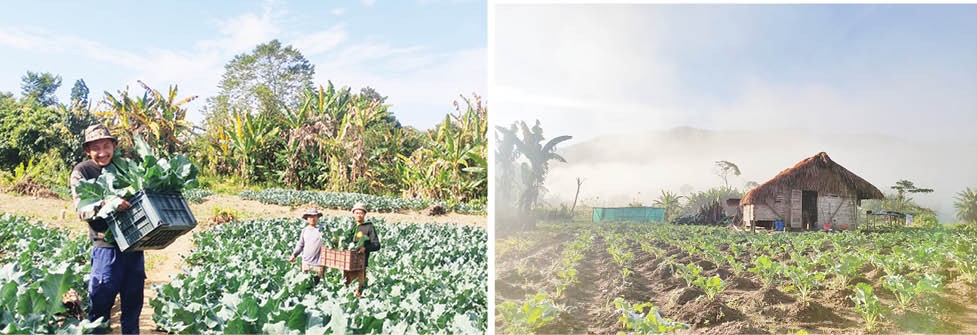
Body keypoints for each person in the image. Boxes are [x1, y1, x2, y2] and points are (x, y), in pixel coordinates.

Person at [69, 124, 143, 334]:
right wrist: (108, 203)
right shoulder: (82, 171)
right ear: (88, 151)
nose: (102, 153)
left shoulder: (126, 166)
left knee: (132, 307)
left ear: (114, 145)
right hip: (106, 247)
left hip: (134, 245)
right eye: (96, 148)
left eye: (106, 146)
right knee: (100, 307)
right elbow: (82, 209)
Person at [344, 202, 381, 298]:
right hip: (348, 263)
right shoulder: (352, 227)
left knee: (358, 288)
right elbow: (346, 241)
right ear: (353, 214)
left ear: (364, 214)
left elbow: (376, 245)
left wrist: (365, 248)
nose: (358, 215)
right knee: (346, 286)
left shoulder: (369, 227)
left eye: (361, 213)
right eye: (356, 213)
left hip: (361, 263)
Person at [289, 208, 325, 284]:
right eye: (310, 217)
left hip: (318, 264)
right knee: (304, 286)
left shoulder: (322, 230)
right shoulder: (305, 230)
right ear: (307, 219)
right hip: (306, 263)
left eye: (314, 216)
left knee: (317, 286)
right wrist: (294, 255)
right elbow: (300, 244)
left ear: (318, 218)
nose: (312, 219)